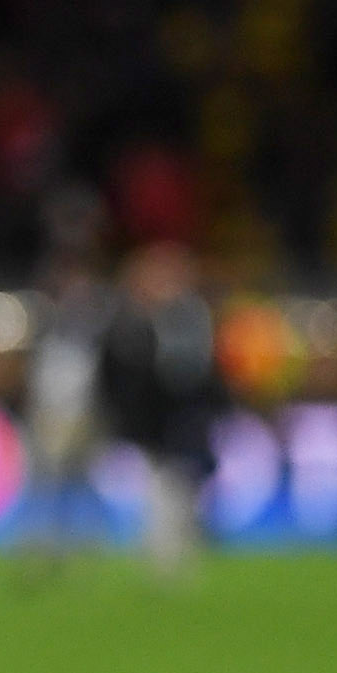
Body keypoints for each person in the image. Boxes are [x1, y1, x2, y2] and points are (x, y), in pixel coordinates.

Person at [96, 239, 226, 575]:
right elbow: (122, 373)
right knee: (163, 484)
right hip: (157, 420)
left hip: (185, 416)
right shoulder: (132, 320)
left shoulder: (191, 315)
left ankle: (176, 549)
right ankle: (164, 554)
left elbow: (198, 371)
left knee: (182, 483)